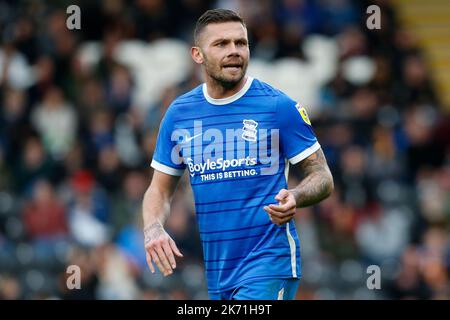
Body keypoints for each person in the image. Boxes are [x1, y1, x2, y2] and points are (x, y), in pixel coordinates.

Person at [142, 8, 334, 300]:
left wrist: (295, 195)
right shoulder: (180, 113)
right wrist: (153, 228)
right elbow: (159, 189)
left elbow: (322, 176)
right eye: (221, 44)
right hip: (219, 270)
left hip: (269, 263)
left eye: (240, 43)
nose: (234, 51)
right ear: (197, 55)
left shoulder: (277, 106)